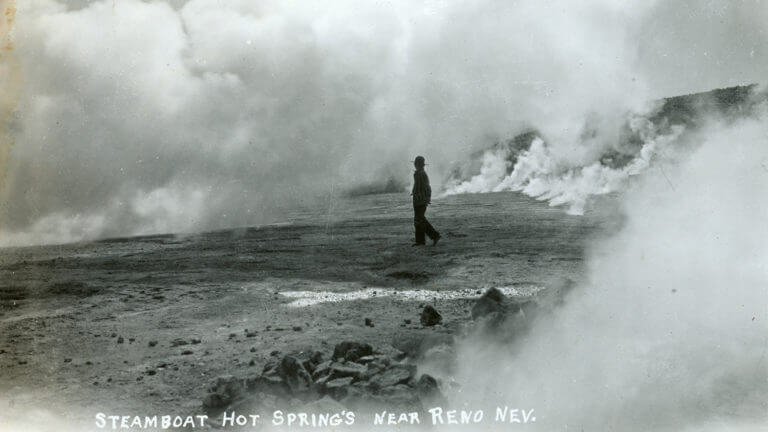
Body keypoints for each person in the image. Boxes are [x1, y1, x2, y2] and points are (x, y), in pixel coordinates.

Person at [411, 155, 441, 246]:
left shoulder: (421, 174)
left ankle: (434, 235)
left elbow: (427, 187)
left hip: (421, 201)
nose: (415, 165)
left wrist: (427, 198)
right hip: (418, 200)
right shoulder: (418, 173)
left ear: (418, 164)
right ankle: (420, 241)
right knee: (418, 220)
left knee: (420, 220)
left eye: (417, 163)